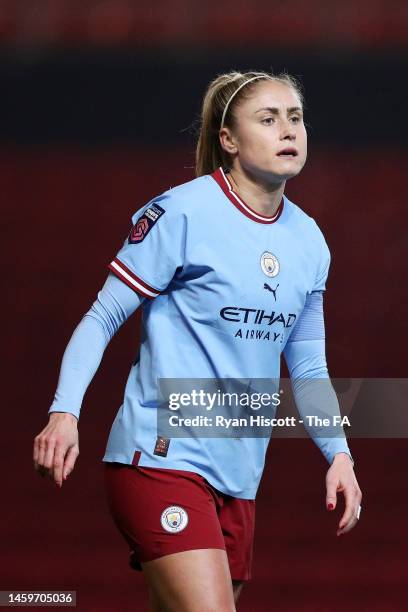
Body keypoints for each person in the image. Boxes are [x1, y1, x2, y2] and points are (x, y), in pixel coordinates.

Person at [33, 70, 363, 611]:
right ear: (228, 141)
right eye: (268, 118)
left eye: (296, 118)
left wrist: (340, 455)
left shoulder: (309, 241)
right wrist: (64, 412)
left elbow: (308, 370)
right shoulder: (182, 212)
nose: (288, 130)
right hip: (161, 458)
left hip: (238, 479)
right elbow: (101, 316)